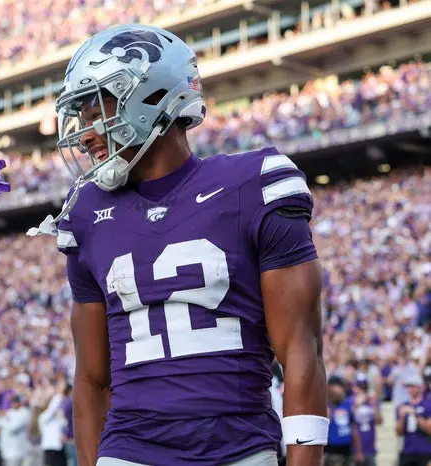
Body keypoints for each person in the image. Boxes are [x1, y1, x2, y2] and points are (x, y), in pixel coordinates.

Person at [31, 23, 328, 466]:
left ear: (151, 99)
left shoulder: (253, 182)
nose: (86, 134)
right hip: (130, 450)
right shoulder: (87, 213)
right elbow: (92, 379)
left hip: (238, 448)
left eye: (98, 113)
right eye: (81, 118)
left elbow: (301, 349)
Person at [395, 372, 431, 466]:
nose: (409, 389)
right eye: (408, 387)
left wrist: (414, 414)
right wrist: (402, 418)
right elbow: (398, 432)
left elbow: (429, 429)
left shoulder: (427, 405)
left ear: (419, 387)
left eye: (412, 386)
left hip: (424, 451)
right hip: (407, 450)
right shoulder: (403, 406)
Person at [325, 377, 360, 466]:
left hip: (347, 448)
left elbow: (353, 428)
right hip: (332, 450)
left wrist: (359, 451)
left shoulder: (348, 404)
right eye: (339, 387)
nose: (342, 390)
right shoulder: (325, 405)